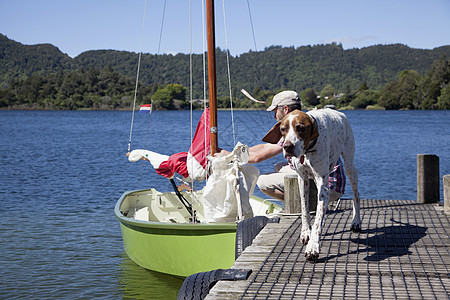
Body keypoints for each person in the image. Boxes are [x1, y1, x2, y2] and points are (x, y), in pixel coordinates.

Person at [244, 90, 345, 202]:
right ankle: (306, 201)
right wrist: (238, 151)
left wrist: (230, 157)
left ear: (285, 109)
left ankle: (305, 204)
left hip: (327, 187)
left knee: (262, 181)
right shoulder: (305, 125)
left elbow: (259, 156)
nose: (274, 116)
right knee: (279, 166)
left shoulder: (294, 134)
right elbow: (265, 146)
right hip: (336, 184)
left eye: (275, 111)